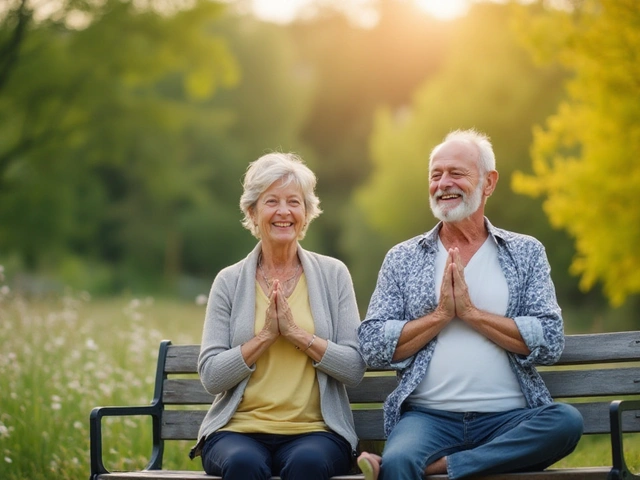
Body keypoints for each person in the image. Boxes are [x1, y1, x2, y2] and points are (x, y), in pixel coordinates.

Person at [356, 129, 583, 480]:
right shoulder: (402, 258)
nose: (444, 183)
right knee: (400, 462)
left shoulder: (525, 252)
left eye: (456, 173)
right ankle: (442, 464)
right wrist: (442, 316)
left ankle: (441, 469)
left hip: (508, 417)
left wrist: (473, 314)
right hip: (429, 417)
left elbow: (550, 338)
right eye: (436, 175)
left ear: (488, 183)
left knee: (566, 422)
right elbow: (371, 345)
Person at [188, 152, 366, 480]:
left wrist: (298, 335)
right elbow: (211, 376)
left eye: (294, 202)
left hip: (316, 432)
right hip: (237, 431)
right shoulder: (228, 281)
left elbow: (354, 367)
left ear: (306, 213)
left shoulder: (334, 275)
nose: (283, 212)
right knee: (244, 465)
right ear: (252, 213)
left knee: (306, 465)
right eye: (272, 201)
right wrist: (266, 336)